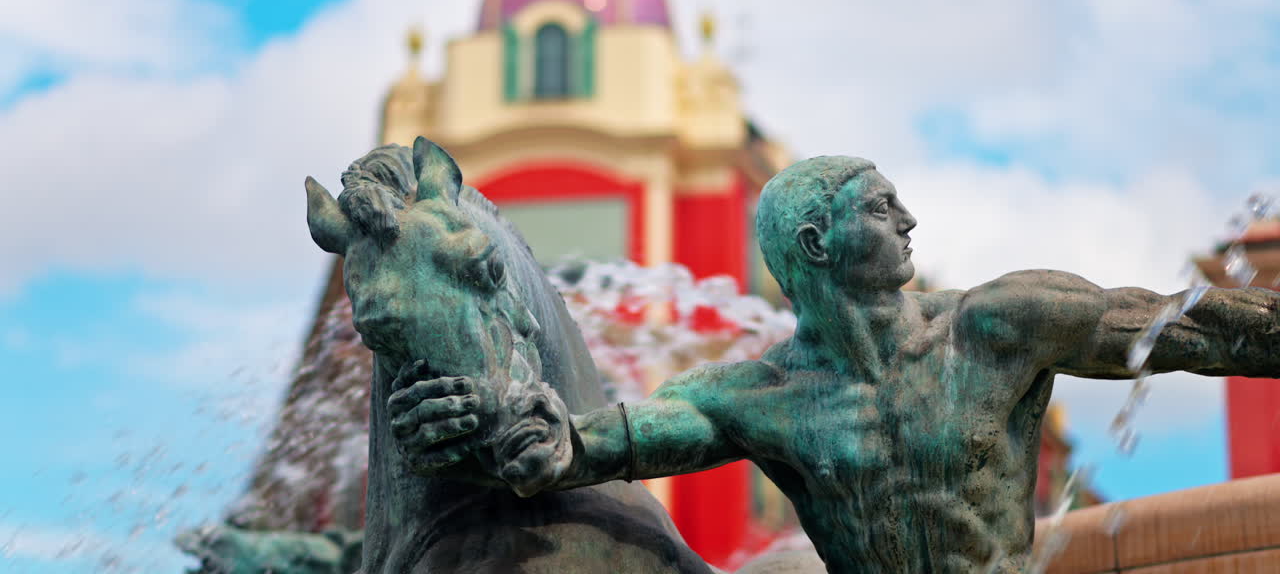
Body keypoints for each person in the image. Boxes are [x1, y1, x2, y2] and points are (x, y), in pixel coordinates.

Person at [388, 156, 1280, 573]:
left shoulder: (1001, 324)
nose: (911, 222)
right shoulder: (762, 397)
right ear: (817, 242)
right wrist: (501, 431)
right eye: (884, 207)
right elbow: (600, 445)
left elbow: (1196, 331)